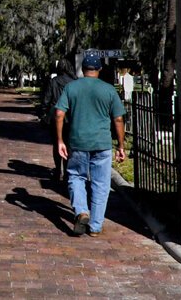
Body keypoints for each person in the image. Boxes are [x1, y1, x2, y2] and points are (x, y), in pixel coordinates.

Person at [53, 51, 126, 237]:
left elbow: (59, 114)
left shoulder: (71, 88)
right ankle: (95, 226)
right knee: (101, 184)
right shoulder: (109, 90)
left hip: (77, 142)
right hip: (102, 143)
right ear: (99, 69)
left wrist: (60, 140)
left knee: (76, 177)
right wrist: (121, 145)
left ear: (83, 69)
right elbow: (118, 119)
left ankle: (81, 211)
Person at [40, 58, 77, 182]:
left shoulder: (54, 81)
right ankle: (67, 170)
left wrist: (43, 112)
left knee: (57, 144)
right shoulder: (74, 82)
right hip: (71, 116)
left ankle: (57, 170)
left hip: (56, 116)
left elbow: (47, 99)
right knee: (68, 144)